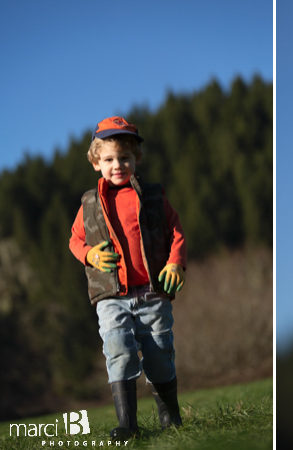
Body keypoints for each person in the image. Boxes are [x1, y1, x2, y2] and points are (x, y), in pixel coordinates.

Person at [69, 116, 187, 439]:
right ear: (96, 162)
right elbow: (75, 240)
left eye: (125, 158)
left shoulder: (152, 196)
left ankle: (170, 416)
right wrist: (90, 255)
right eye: (108, 159)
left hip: (151, 292)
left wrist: (175, 263)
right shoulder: (89, 204)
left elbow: (175, 231)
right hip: (111, 297)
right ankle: (128, 425)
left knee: (160, 351)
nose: (117, 165)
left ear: (136, 159)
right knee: (118, 350)